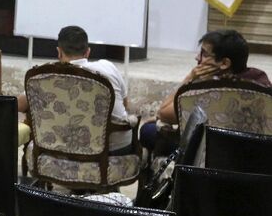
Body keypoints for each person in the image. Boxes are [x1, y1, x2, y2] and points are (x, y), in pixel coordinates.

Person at [141, 29, 271, 151]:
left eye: (204, 53)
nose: (197, 58)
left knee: (148, 130)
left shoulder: (204, 89)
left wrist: (189, 78)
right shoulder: (260, 81)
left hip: (207, 153)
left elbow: (163, 112)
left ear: (224, 63)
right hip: (253, 153)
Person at [19, 25, 133, 154]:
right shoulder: (108, 68)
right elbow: (125, 105)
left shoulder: (44, 77)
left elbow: (18, 105)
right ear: (88, 52)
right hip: (115, 149)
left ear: (59, 52)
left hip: (56, 150)